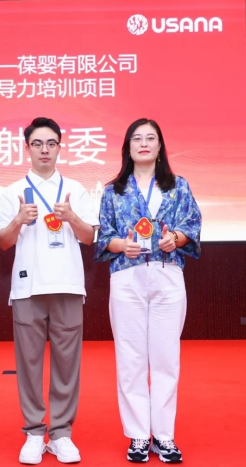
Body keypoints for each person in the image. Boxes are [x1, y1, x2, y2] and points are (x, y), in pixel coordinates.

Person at [0, 117, 99, 465]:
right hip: (28, 287)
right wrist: (18, 220)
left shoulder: (76, 189)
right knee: (29, 364)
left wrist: (72, 218)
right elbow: (3, 242)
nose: (44, 150)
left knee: (67, 364)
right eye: (37, 144)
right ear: (27, 148)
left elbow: (89, 237)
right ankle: (35, 433)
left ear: (59, 147)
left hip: (67, 284)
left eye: (51, 143)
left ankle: (62, 433)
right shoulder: (12, 191)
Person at [94, 118, 201, 464]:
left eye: (150, 138)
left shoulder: (178, 186)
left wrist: (176, 239)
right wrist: (121, 245)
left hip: (168, 275)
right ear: (127, 147)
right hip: (128, 276)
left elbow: (192, 224)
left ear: (159, 146)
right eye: (136, 138)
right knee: (131, 359)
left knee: (166, 358)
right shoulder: (113, 190)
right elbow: (104, 236)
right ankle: (139, 435)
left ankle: (164, 436)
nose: (143, 143)